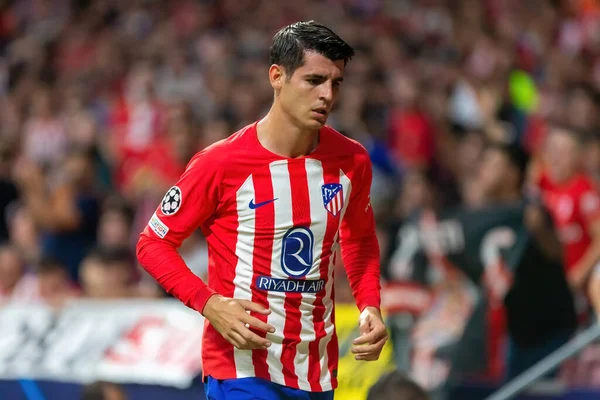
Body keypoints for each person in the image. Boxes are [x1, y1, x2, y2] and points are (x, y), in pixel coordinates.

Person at [136, 20, 386, 400]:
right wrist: (210, 304)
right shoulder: (220, 163)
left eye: (336, 83)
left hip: (315, 369)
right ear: (277, 77)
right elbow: (152, 244)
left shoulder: (352, 160)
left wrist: (370, 305)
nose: (327, 95)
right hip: (241, 367)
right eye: (314, 80)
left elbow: (360, 239)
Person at [476, 142, 577, 379]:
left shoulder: (532, 211)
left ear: (512, 173)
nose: (482, 169)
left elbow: (557, 253)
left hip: (550, 333)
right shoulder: (482, 216)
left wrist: (539, 230)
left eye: (491, 164)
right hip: (511, 335)